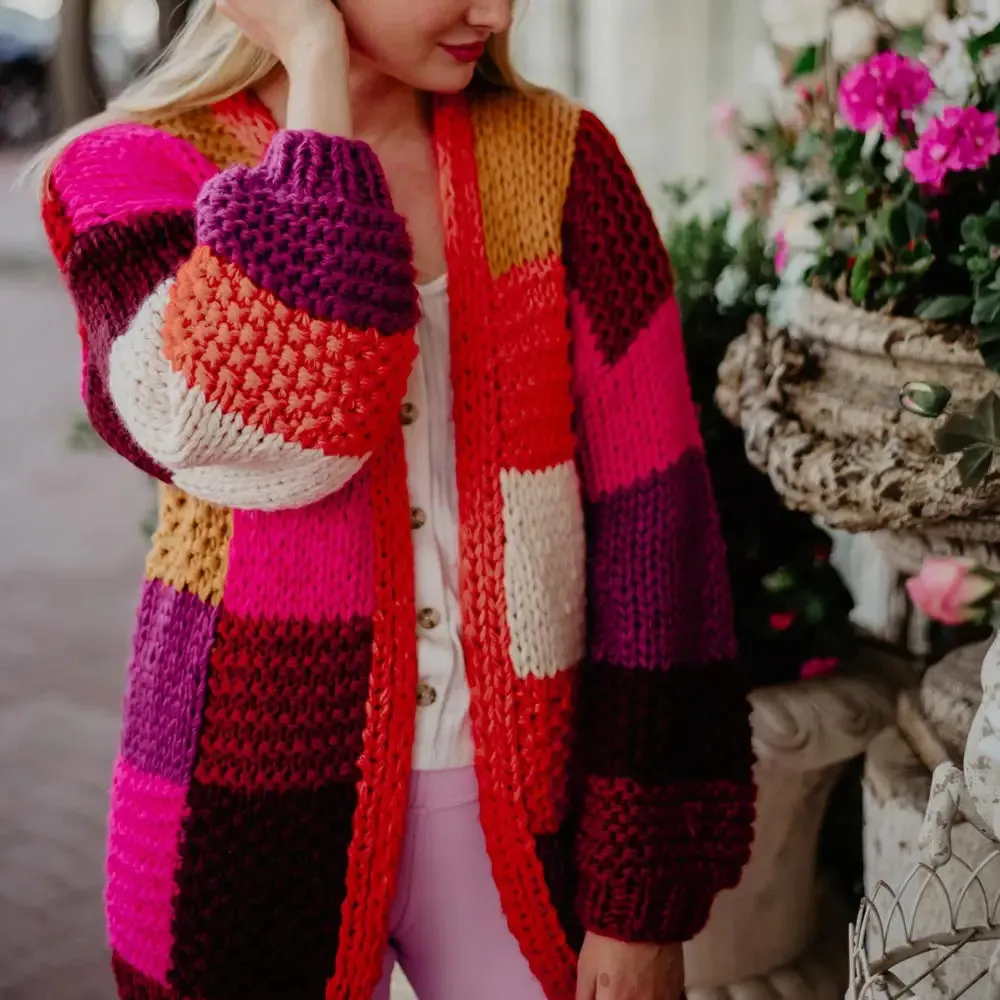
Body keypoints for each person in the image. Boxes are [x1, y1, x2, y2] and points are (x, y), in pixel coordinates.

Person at [36, 1, 756, 998]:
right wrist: (316, 79)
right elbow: (247, 426)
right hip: (236, 803)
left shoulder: (562, 164)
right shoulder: (132, 171)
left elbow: (655, 523)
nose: (494, 13)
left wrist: (644, 889)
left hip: (527, 806)